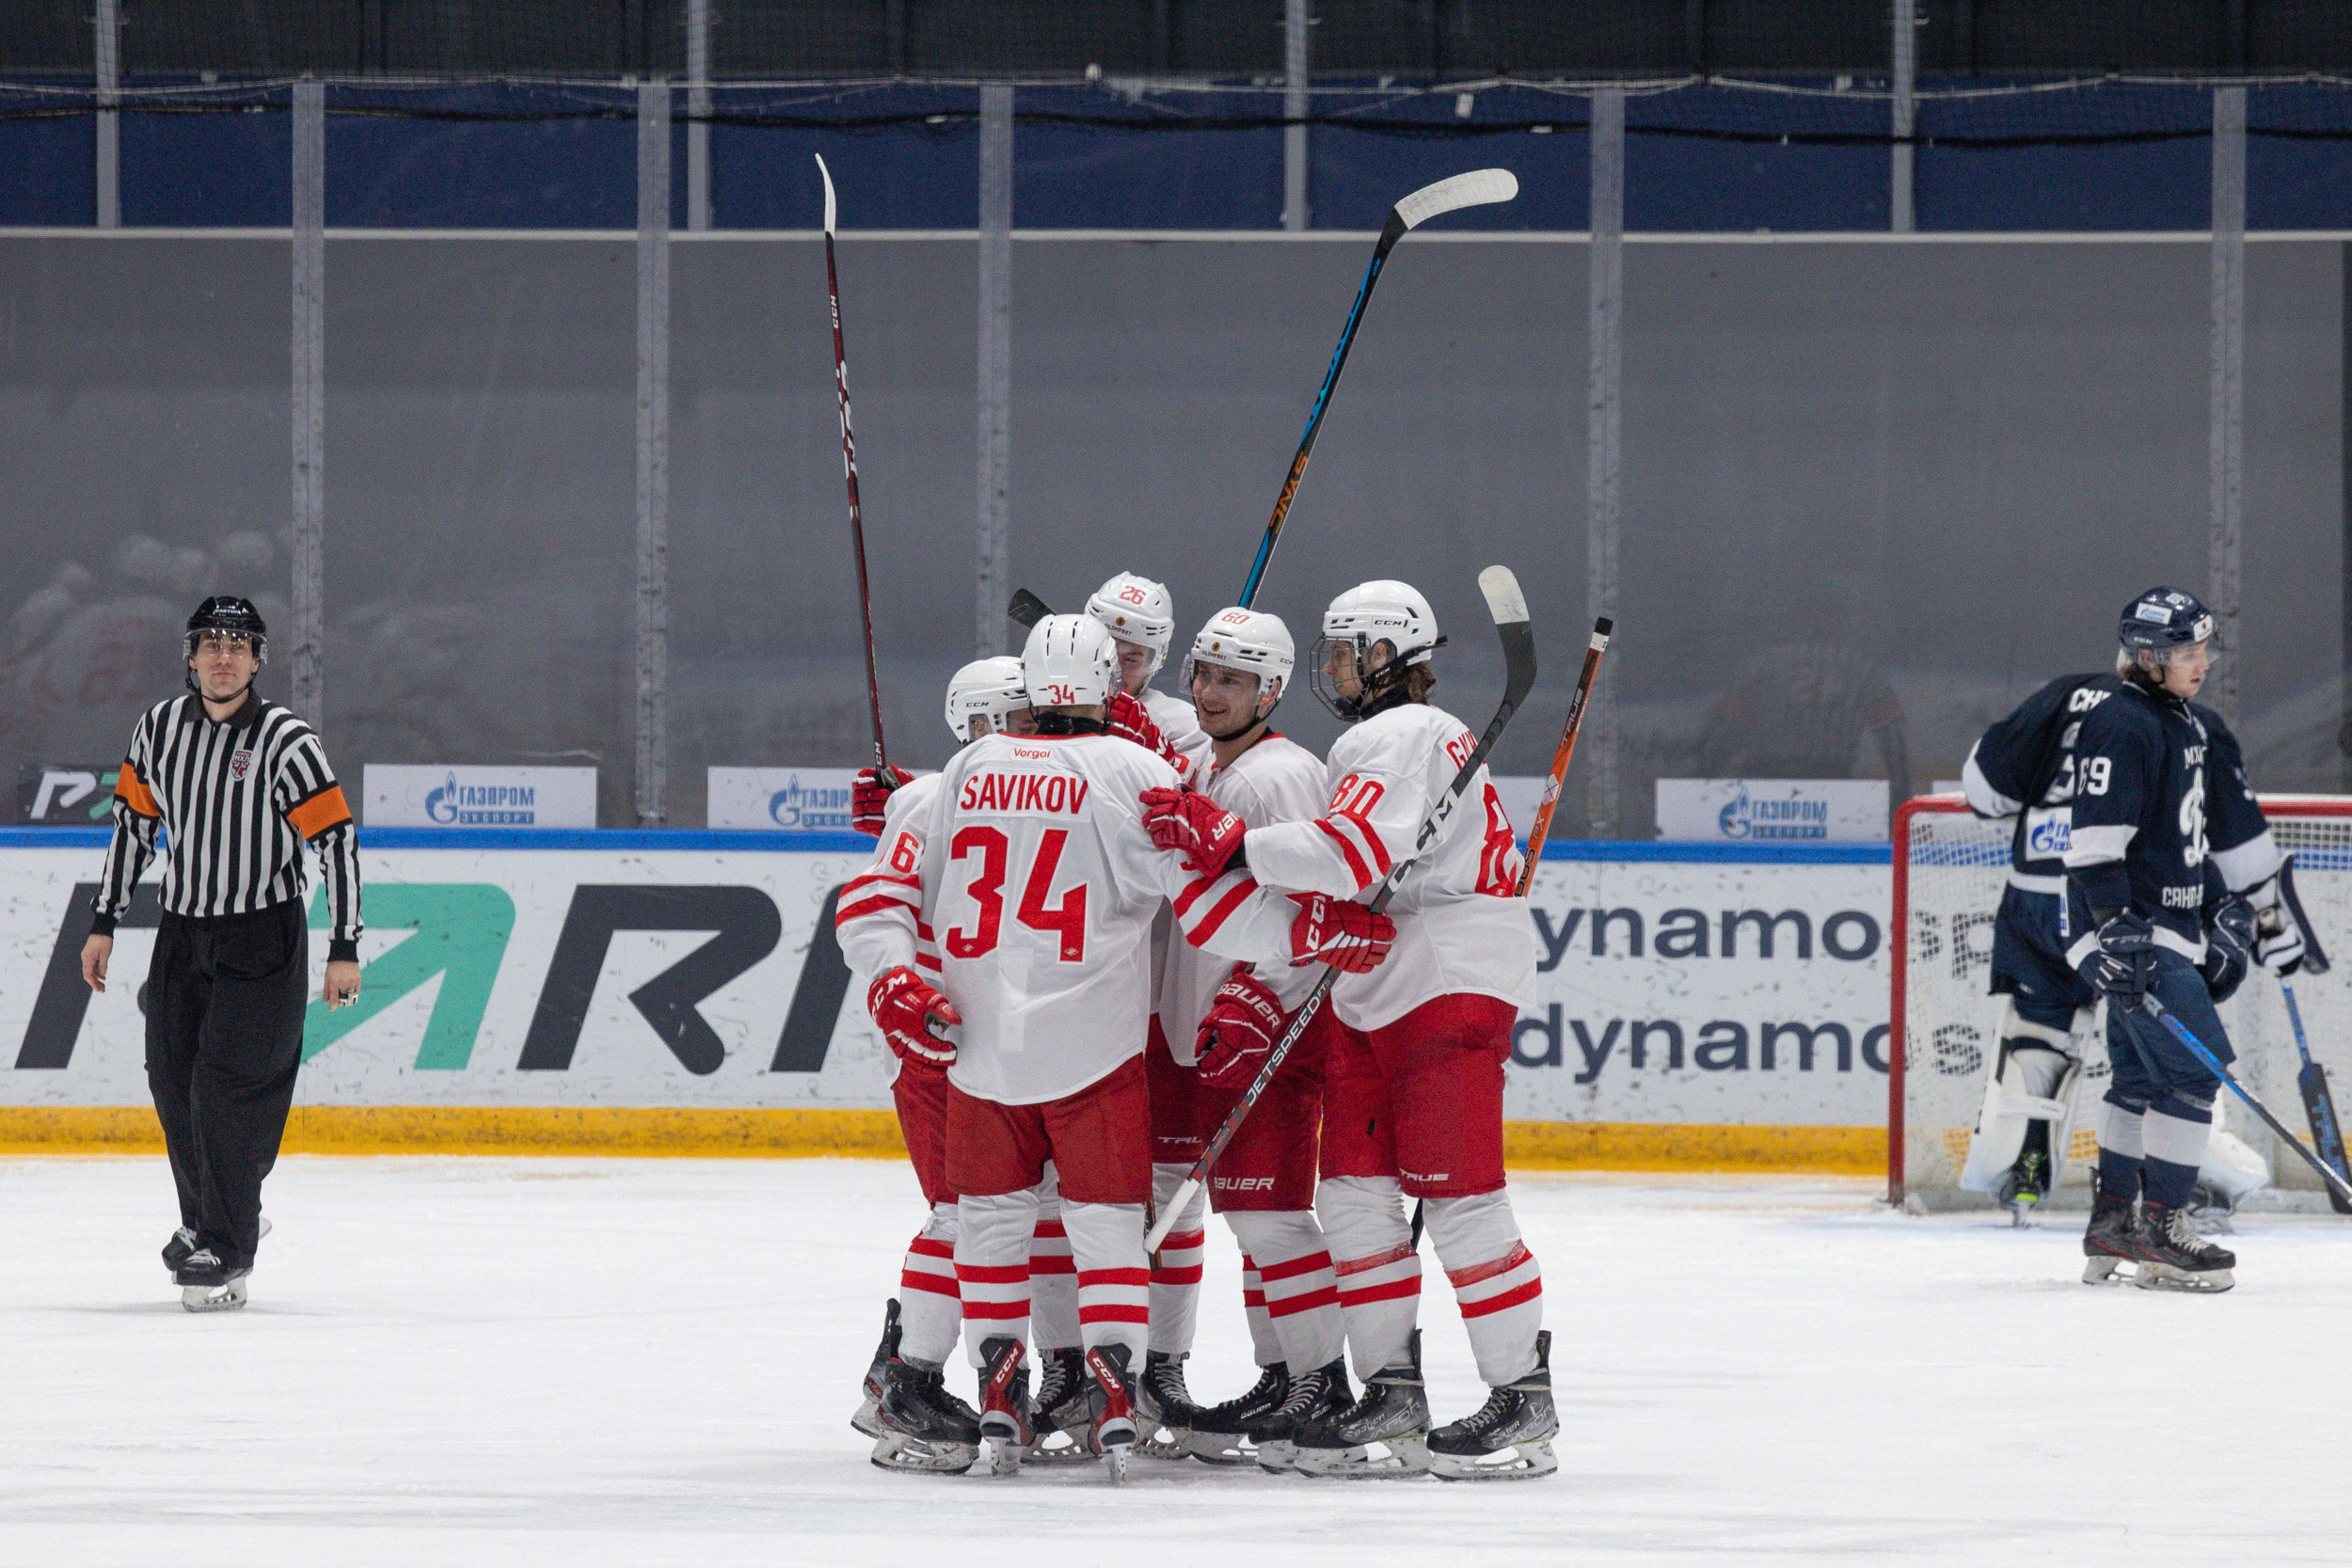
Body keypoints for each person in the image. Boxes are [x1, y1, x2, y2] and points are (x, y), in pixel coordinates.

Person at [851, 613, 1393, 1481]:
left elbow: (874, 895)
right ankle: (1113, 1385)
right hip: (1095, 1050)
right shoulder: (1137, 769)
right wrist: (1315, 929)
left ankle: (998, 1388)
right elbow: (1209, 906)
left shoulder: (966, 769)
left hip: (980, 1047)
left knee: (989, 1219)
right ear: (1111, 683)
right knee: (1108, 1221)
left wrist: (889, 973)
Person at [1141, 579, 1553, 1481]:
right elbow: (1341, 881)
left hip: (1443, 982)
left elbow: (1349, 853)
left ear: (1379, 657)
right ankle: (1392, 1390)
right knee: (1357, 1198)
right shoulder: (1395, 741)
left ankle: (1523, 1396)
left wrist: (1234, 842)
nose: (1328, 669)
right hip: (1381, 983)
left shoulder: (1400, 733)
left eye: (1338, 651)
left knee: (1461, 1197)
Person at [79, 595, 362, 1312]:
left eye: (239, 644)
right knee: (173, 1080)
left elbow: (336, 841)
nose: (224, 654)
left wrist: (344, 945)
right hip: (183, 930)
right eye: (210, 642)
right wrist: (104, 918)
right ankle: (216, 1213)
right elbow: (133, 827)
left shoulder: (286, 740)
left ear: (259, 660)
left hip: (262, 935)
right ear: (191, 654)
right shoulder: (159, 728)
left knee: (226, 1088)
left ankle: (227, 1241)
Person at [1957, 667, 2270, 1220]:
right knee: (2173, 1049)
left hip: (2036, 895)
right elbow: (2223, 838)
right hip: (2133, 898)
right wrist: (2252, 910)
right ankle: (2183, 1175)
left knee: (2044, 1029)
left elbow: (1983, 790)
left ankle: (2024, 1161)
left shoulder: (2065, 693)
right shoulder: (2189, 721)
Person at [2069, 587, 2304, 1292]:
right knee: (2195, 1075)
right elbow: (2093, 846)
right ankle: (2165, 1229)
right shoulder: (2121, 721)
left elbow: (2179, 836)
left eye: (2204, 648)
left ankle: (2115, 1219)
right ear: (2148, 658)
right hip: (2129, 931)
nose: (2200, 661)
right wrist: (2115, 927)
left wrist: (2217, 910)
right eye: (2185, 651)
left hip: (2163, 927)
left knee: (2141, 1076)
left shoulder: (2187, 725)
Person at [838, 656, 1032, 1474]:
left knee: (1000, 1212)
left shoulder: (971, 793)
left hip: (993, 1037)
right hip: (936, 1038)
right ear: (987, 725)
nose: (1043, 731)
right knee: (963, 1211)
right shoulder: (927, 801)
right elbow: (879, 903)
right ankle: (906, 1381)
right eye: (1023, 718)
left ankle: (938, 1375)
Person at [1085, 571, 1212, 781]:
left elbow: (1188, 800)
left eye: (1130, 660)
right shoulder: (1044, 700)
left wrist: (1154, 750)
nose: (1113, 671)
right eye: (1103, 653)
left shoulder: (1182, 724)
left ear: (1155, 661)